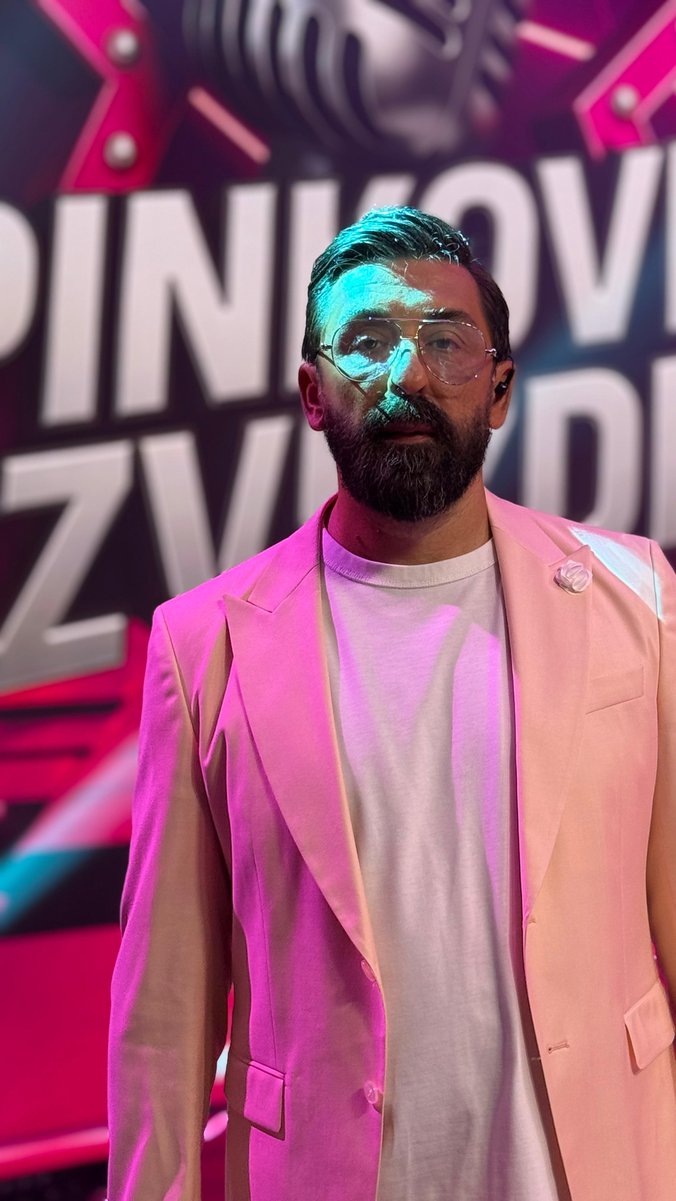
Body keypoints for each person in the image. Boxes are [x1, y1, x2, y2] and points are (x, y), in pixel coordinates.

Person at [107, 206, 676, 1201]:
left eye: (445, 341)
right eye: (366, 342)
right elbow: (164, 1018)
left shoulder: (638, 596)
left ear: (499, 390)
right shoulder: (203, 646)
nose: (407, 373)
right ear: (312, 393)